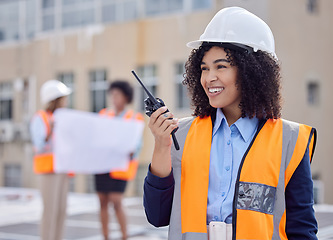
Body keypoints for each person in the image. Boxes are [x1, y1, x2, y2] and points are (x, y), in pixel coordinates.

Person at [143, 7, 318, 240]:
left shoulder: (291, 140)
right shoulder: (179, 135)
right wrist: (160, 145)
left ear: (251, 71)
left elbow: (302, 228)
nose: (209, 78)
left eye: (221, 66)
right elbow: (157, 216)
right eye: (204, 68)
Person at [95, 80, 143, 240]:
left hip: (121, 166)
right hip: (102, 164)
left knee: (116, 201)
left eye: (118, 95)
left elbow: (137, 144)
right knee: (102, 201)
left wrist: (130, 150)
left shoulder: (133, 117)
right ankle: (105, 236)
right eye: (112, 94)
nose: (114, 98)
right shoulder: (103, 115)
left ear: (126, 97)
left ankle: (124, 236)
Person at [30, 79, 72, 240]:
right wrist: (52, 131)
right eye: (63, 98)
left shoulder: (63, 118)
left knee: (61, 210)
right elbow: (38, 145)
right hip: (48, 170)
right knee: (50, 212)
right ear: (55, 99)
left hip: (62, 169)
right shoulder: (41, 118)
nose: (66, 101)